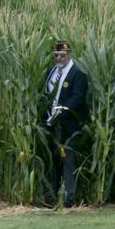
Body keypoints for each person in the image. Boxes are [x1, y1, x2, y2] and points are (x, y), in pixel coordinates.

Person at [42, 40, 89, 208]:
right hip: (52, 123)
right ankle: (53, 194)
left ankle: (69, 197)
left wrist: (62, 113)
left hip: (69, 124)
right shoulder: (51, 72)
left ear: (69, 54)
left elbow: (77, 98)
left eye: (62, 55)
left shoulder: (78, 74)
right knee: (54, 158)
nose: (59, 58)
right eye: (56, 55)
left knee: (69, 158)